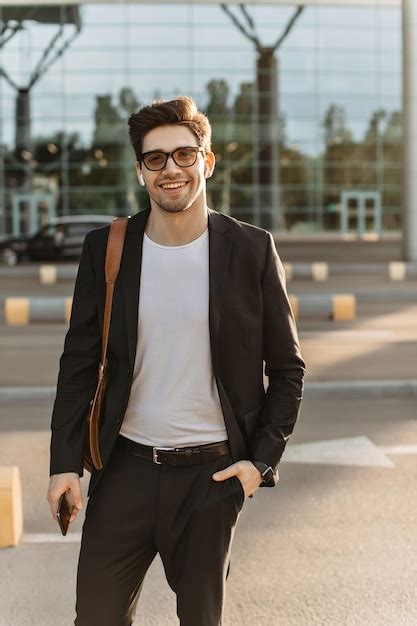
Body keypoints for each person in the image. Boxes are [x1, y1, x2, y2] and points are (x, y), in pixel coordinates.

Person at [46, 95, 305, 626]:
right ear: (141, 171)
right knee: (95, 618)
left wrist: (259, 464)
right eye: (155, 158)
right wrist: (63, 465)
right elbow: (77, 365)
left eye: (184, 155)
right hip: (125, 472)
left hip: (211, 480)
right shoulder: (108, 248)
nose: (171, 170)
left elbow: (287, 369)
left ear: (206, 162)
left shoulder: (251, 249)